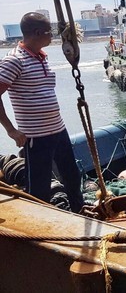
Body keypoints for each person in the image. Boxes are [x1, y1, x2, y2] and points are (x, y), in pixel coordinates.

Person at [0, 12, 84, 213]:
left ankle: (80, 211)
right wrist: (11, 130)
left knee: (72, 175)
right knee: (39, 186)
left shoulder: (41, 57)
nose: (53, 36)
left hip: (58, 130)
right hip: (36, 137)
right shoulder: (14, 60)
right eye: (50, 32)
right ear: (37, 32)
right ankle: (41, 226)